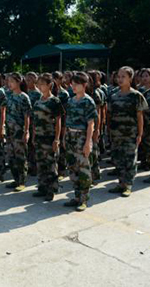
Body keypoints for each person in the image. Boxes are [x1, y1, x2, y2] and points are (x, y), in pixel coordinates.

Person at [108, 66, 148, 197]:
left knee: (130, 160)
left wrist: (140, 134)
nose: (120, 79)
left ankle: (128, 185)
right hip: (116, 134)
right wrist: (109, 131)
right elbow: (109, 115)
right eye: (118, 76)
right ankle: (121, 183)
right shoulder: (113, 96)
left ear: (130, 78)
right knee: (118, 159)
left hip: (130, 134)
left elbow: (140, 116)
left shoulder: (136, 95)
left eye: (123, 76)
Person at [63, 72, 97, 212]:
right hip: (70, 136)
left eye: (76, 84)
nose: (73, 87)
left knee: (83, 169)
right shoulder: (71, 101)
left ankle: (83, 199)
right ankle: (76, 196)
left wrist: (88, 142)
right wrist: (64, 137)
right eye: (72, 84)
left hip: (81, 137)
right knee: (72, 168)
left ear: (84, 85)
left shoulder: (88, 101)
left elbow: (91, 124)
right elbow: (67, 120)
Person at [32, 73, 63, 201]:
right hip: (39, 137)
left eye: (42, 84)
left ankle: (51, 189)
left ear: (49, 85)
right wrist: (34, 136)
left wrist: (57, 139)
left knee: (51, 165)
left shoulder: (54, 101)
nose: (39, 86)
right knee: (41, 164)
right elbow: (35, 120)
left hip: (49, 138)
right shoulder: (38, 101)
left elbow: (59, 121)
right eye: (38, 84)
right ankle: (42, 187)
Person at [1, 72, 31, 191]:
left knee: (20, 157)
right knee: (11, 156)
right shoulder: (8, 95)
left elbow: (27, 116)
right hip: (9, 131)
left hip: (19, 131)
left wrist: (26, 131)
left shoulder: (24, 97)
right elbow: (3, 110)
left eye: (12, 81)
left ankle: (22, 181)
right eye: (8, 81)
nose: (9, 84)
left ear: (18, 82)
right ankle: (15, 179)